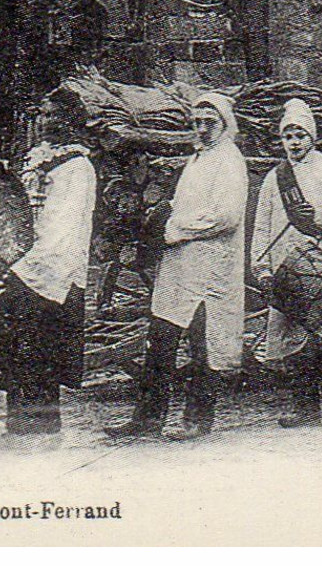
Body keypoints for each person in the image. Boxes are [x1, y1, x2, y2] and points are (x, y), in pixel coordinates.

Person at [108, 93, 247, 441]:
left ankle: (198, 419)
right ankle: (147, 418)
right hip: (179, 266)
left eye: (209, 123)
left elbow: (225, 216)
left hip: (209, 266)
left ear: (225, 124)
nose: (201, 129)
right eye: (197, 122)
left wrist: (173, 229)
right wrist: (163, 213)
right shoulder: (198, 160)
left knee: (203, 344)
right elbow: (186, 201)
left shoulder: (229, 161)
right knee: (161, 340)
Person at [0, 96, 96, 450]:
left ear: (70, 120)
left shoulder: (77, 169)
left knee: (40, 355)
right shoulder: (39, 161)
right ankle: (18, 429)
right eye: (43, 113)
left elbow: (62, 229)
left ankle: (43, 433)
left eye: (54, 115)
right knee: (14, 351)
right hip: (22, 267)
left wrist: (26, 266)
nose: (46, 121)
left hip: (52, 274)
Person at [253, 99, 322, 428]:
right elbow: (261, 225)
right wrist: (261, 266)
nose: (295, 142)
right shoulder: (276, 178)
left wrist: (317, 217)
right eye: (288, 136)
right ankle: (304, 407)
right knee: (296, 338)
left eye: (300, 134)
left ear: (312, 137)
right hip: (289, 267)